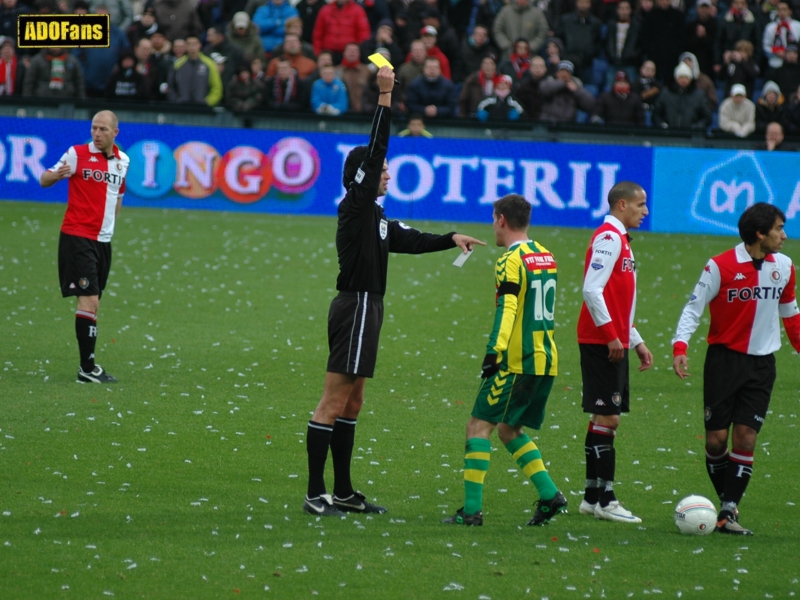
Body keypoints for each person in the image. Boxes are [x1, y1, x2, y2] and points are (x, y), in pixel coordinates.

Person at [303, 66, 484, 516]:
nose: (387, 173)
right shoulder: (356, 205)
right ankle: (314, 493)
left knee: (354, 399)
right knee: (332, 399)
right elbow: (377, 147)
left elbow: (410, 239)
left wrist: (451, 238)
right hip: (357, 305)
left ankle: (342, 491)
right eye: (380, 169)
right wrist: (385, 95)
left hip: (368, 307)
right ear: (362, 176)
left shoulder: (378, 218)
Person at [672, 203, 800, 535]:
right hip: (723, 362)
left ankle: (728, 511)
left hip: (762, 366)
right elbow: (693, 308)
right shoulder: (720, 266)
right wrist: (680, 346)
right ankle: (726, 502)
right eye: (779, 229)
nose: (784, 235)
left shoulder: (785, 267)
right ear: (760, 233)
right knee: (716, 442)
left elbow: (791, 314)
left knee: (745, 437)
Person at [443, 194, 565, 527]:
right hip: (545, 358)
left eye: (492, 220)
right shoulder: (545, 255)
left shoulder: (510, 260)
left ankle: (471, 512)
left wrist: (493, 352)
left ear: (501, 220)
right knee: (509, 429)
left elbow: (508, 307)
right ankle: (550, 495)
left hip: (516, 360)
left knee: (478, 426)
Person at [577, 181, 653, 524]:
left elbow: (617, 300)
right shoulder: (609, 238)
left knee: (601, 417)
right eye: (640, 205)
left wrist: (634, 339)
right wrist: (612, 336)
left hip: (611, 339)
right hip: (601, 342)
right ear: (622, 204)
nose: (645, 211)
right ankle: (606, 500)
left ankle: (592, 497)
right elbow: (592, 290)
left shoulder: (620, 240)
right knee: (609, 418)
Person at [39, 111, 129, 385]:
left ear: (115, 132)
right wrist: (55, 176)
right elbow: (44, 179)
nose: (97, 133)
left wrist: (109, 228)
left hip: (102, 241)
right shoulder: (77, 154)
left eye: (103, 129)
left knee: (94, 303)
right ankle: (86, 369)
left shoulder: (122, 161)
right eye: (94, 128)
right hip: (77, 236)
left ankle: (87, 368)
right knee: (88, 299)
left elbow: (117, 198)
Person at [652, 62, 712, 130]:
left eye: (686, 77)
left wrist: (696, 127)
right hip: (669, 134)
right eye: (681, 77)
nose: (684, 80)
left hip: (691, 136)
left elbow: (707, 117)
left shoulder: (699, 95)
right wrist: (663, 125)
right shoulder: (665, 93)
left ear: (691, 79)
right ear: (676, 78)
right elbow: (656, 114)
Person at [167, 36, 223, 106]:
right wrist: (177, 100)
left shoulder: (209, 64)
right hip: (182, 108)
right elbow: (171, 87)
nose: (192, 47)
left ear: (199, 45)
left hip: (202, 109)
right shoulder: (178, 64)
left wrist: (208, 102)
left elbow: (216, 88)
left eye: (194, 44)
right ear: (186, 46)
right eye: (189, 44)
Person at [555, 0, 603, 81]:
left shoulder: (596, 23)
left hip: (588, 63)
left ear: (590, 4)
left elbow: (598, 42)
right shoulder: (565, 20)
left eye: (586, 2)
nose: (583, 5)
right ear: (576, 3)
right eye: (581, 2)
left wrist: (592, 53)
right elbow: (559, 39)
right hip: (568, 62)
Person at [762, 1, 800, 69]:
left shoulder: (798, 26)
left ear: (790, 11)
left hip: (795, 65)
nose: (782, 12)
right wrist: (776, 53)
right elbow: (765, 46)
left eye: (784, 9)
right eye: (779, 10)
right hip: (775, 63)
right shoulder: (770, 27)